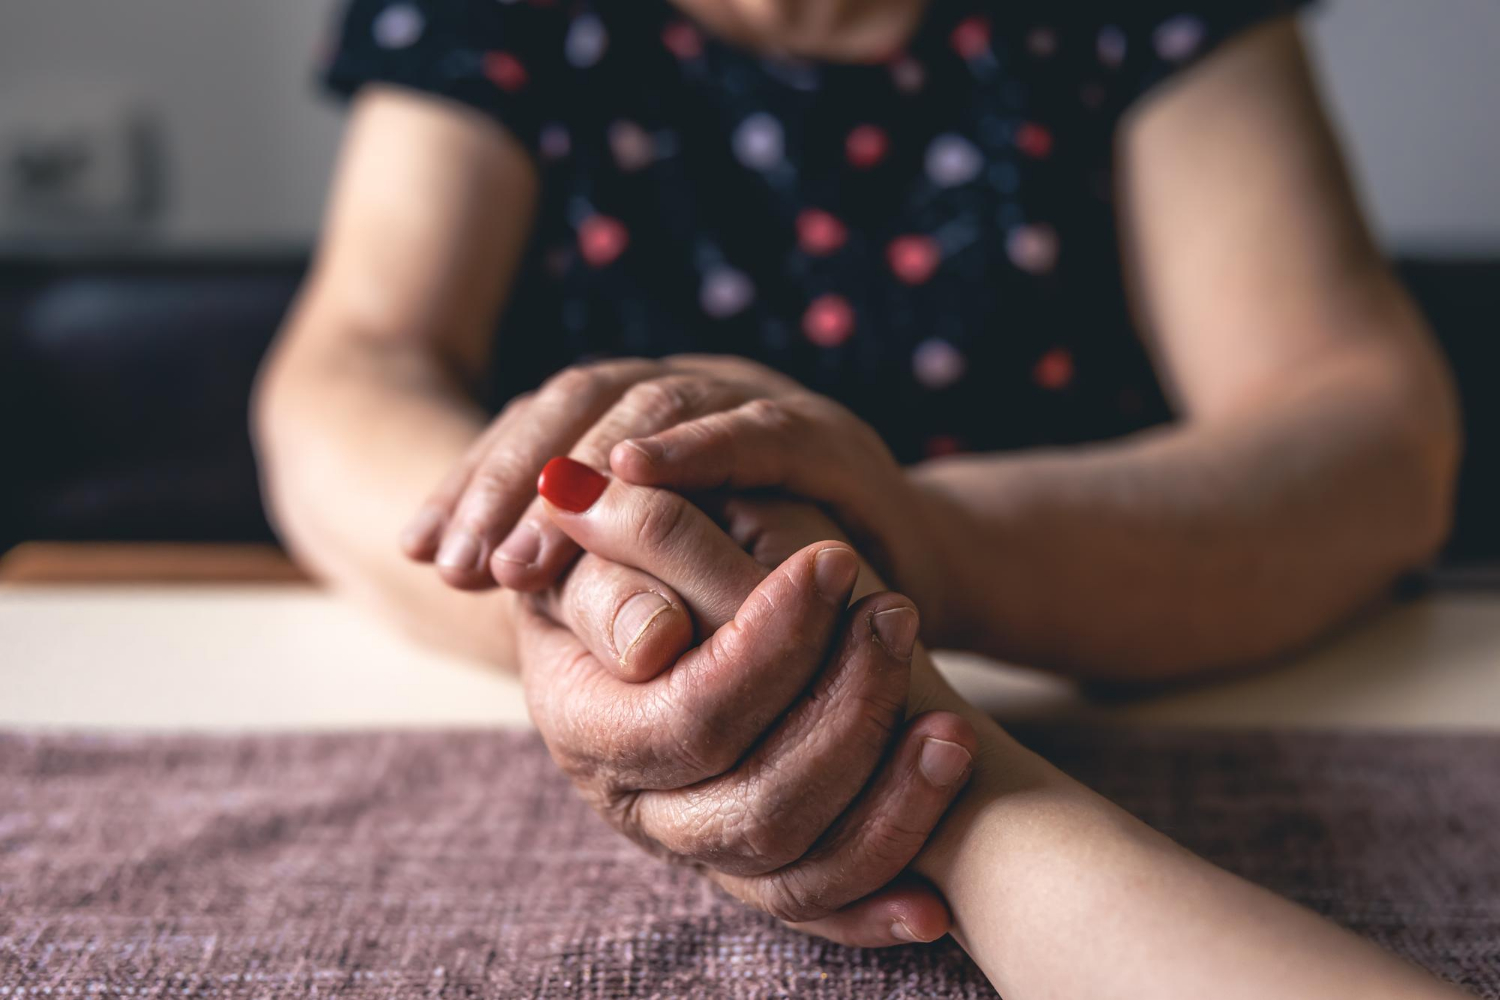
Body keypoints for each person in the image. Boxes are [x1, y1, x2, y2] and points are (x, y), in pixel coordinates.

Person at [250, 0, 1462, 970]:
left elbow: (1371, 439)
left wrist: (912, 544)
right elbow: (342, 382)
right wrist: (613, 596)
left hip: (1142, 694)